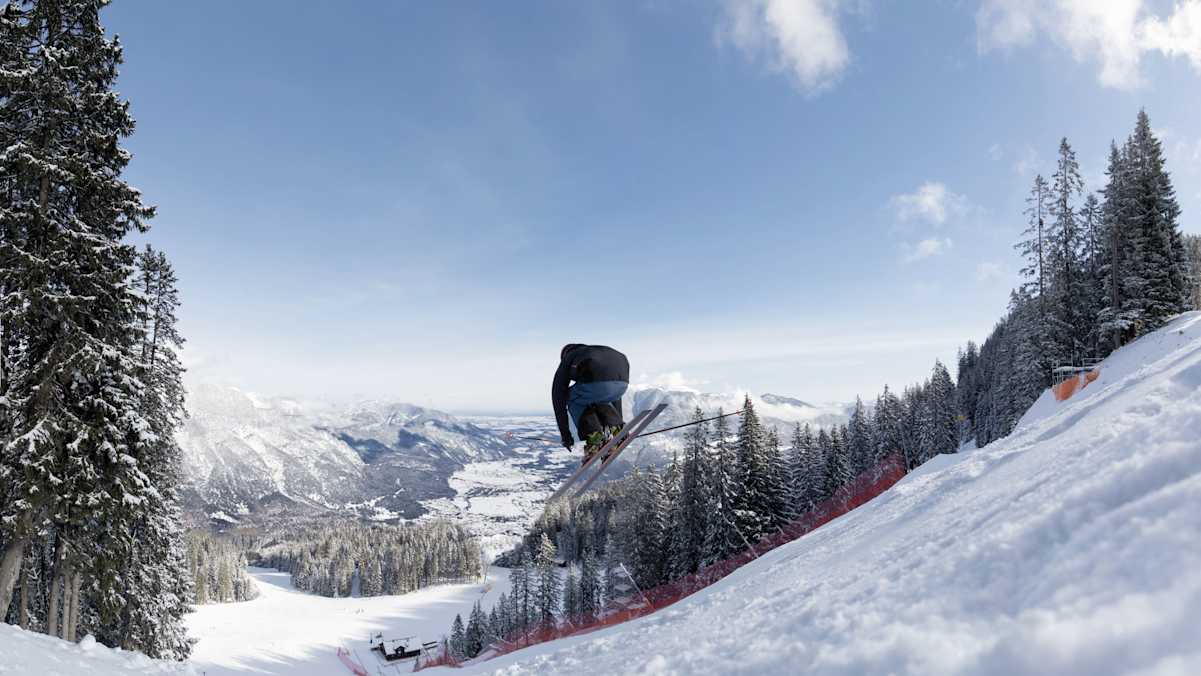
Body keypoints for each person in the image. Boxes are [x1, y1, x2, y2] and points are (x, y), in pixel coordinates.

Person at [552, 344, 629, 462]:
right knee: (598, 396)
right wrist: (620, 428)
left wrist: (565, 435)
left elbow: (558, 397)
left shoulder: (569, 358)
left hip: (597, 384)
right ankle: (616, 430)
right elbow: (610, 394)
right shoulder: (592, 353)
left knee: (571, 398)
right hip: (622, 384)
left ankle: (594, 439)